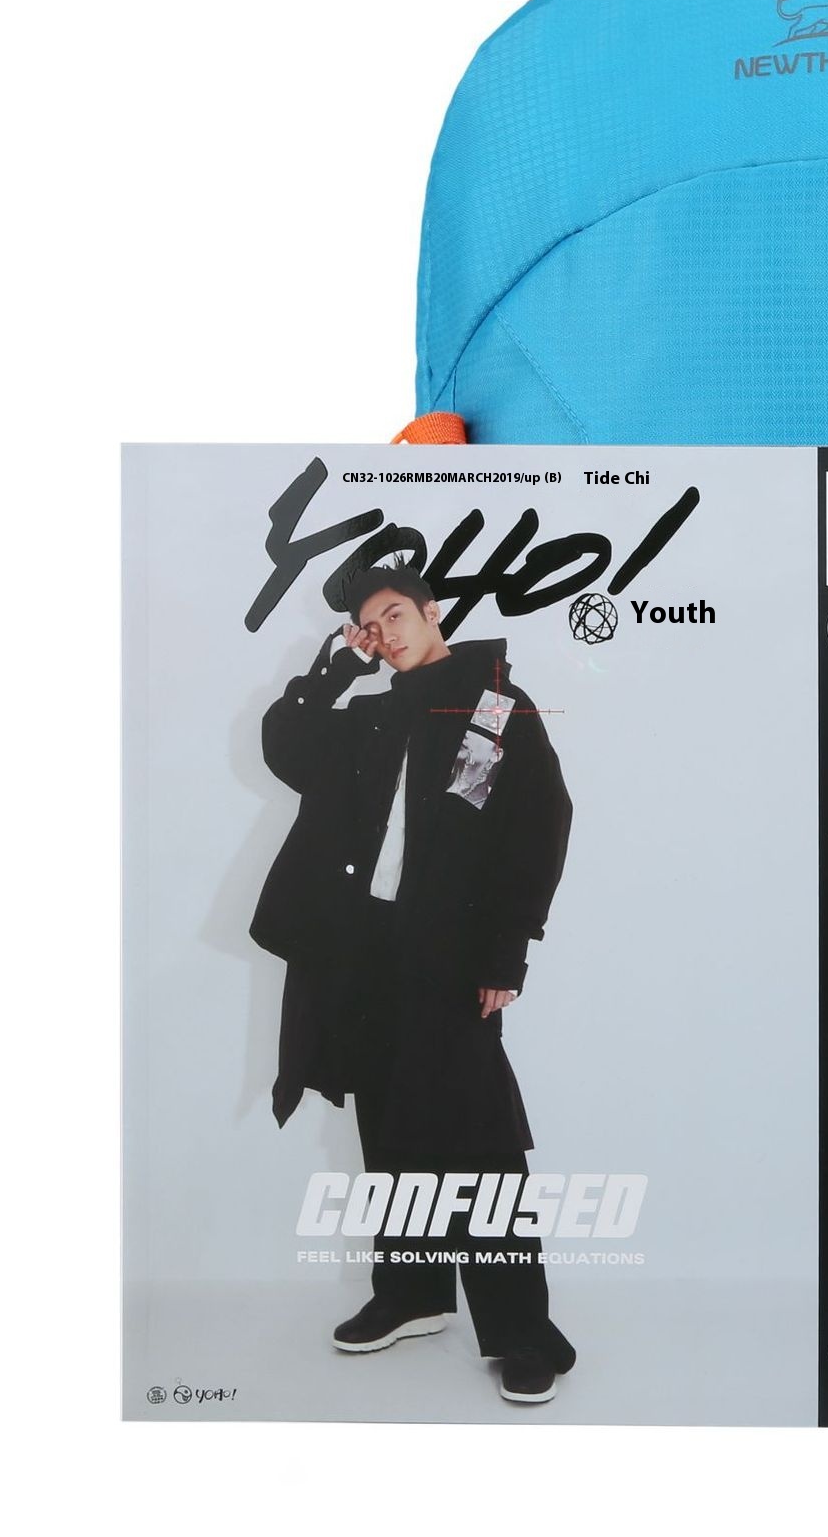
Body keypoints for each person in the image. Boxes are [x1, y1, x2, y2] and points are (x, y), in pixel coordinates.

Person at [250, 561, 577, 1404]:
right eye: (371, 624)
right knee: (388, 1126)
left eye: (395, 614)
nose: (385, 632)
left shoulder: (494, 708)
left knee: (479, 1143)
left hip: (451, 956)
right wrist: (338, 668)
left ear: (433, 614)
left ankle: (522, 1331)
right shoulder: (370, 712)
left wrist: (505, 954)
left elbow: (535, 828)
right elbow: (285, 746)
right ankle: (412, 1294)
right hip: (363, 948)